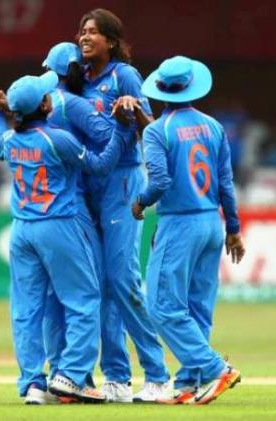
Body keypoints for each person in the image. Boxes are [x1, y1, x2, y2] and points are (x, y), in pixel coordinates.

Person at [0, 71, 134, 404]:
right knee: (84, 299)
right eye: (47, 96)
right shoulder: (57, 139)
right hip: (58, 225)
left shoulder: (10, 140)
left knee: (26, 309)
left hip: (21, 230)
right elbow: (101, 166)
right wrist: (121, 129)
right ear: (45, 106)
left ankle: (34, 384)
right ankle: (72, 376)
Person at [132, 55, 245, 404]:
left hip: (179, 223)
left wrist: (140, 202)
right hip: (212, 223)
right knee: (197, 308)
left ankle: (215, 369)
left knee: (161, 306)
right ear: (191, 86)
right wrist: (234, 228)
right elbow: (226, 181)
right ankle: (187, 383)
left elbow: (160, 181)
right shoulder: (213, 127)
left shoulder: (156, 130)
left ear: (160, 88)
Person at [77, 8, 170, 402]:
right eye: (82, 32)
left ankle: (158, 374)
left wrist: (135, 110)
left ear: (111, 41)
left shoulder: (125, 76)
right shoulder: (78, 77)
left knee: (122, 279)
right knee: (99, 283)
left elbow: (153, 131)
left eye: (93, 32)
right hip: (88, 184)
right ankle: (115, 377)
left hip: (124, 180)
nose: (84, 37)